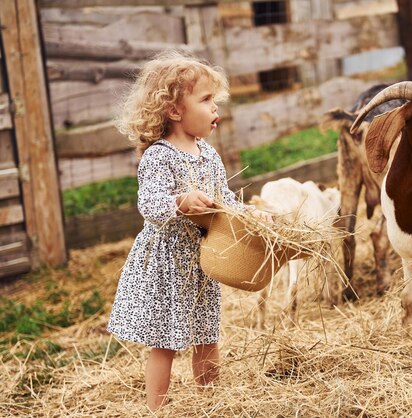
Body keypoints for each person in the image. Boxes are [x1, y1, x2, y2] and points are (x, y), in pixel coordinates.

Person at [107, 50, 266, 411]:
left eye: (215, 100)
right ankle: (156, 410)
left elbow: (224, 199)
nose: (215, 109)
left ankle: (209, 404)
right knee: (164, 342)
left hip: (203, 260)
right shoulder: (158, 156)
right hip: (166, 264)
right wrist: (181, 202)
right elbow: (149, 205)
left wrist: (252, 216)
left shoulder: (208, 154)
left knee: (207, 336)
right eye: (206, 99)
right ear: (175, 110)